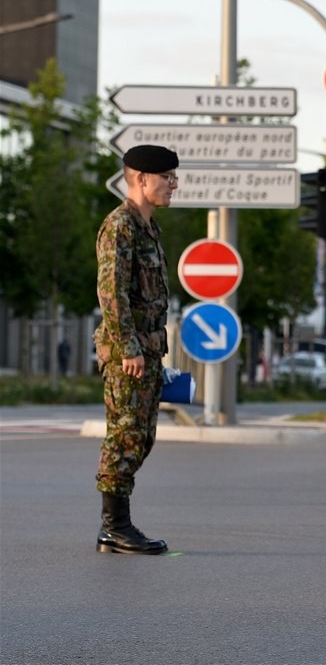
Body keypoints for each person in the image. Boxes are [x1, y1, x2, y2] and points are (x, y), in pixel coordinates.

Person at [93, 144, 178, 555]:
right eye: (167, 177)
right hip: (129, 355)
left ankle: (116, 527)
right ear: (141, 179)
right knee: (124, 436)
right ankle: (115, 528)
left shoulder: (148, 227)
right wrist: (128, 347)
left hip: (147, 352)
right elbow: (112, 294)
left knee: (142, 437)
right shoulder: (120, 226)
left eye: (174, 177)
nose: (173, 184)